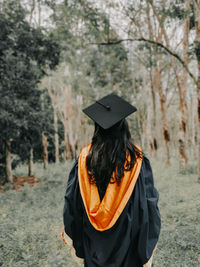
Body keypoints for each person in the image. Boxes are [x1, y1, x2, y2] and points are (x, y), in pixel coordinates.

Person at [61, 93, 161, 267]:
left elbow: (72, 203)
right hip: (128, 245)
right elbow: (149, 204)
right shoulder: (136, 159)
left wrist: (78, 241)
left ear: (97, 128)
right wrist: (147, 240)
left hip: (93, 245)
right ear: (124, 127)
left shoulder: (84, 159)